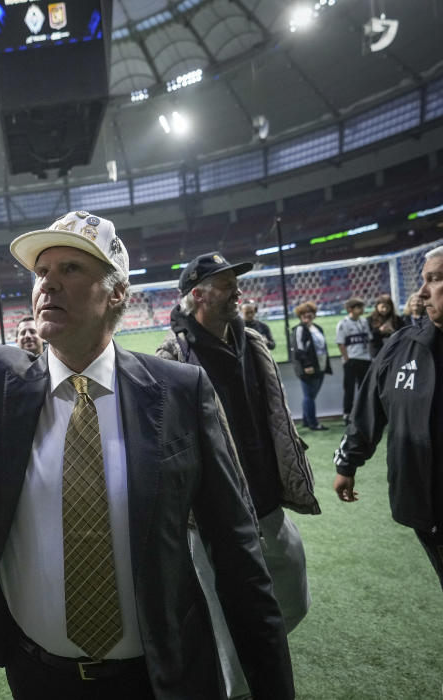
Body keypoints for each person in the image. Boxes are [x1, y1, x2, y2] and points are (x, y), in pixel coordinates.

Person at [0, 144, 293, 698]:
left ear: (118, 296)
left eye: (72, 268)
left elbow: (238, 557)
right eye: (41, 271)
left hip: (163, 679)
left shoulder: (180, 391)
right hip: (37, 678)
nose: (48, 282)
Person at [157, 252, 317, 698]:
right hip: (213, 515)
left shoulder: (254, 342)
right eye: (227, 284)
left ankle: (253, 654)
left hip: (265, 500)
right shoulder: (173, 358)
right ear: (198, 295)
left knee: (293, 593)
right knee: (225, 624)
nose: (239, 290)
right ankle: (238, 690)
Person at [334, 245, 443, 590]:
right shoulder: (401, 346)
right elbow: (368, 409)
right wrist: (346, 463)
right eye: (424, 280)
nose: (422, 291)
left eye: (436, 279)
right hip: (428, 502)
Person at [291, 301, 332, 430]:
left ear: (314, 314)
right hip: (308, 368)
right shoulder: (300, 329)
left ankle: (306, 421)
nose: (307, 315)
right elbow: (299, 349)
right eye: (303, 313)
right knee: (309, 396)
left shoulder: (318, 328)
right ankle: (313, 424)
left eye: (310, 313)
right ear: (300, 315)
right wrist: (307, 365)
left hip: (321, 365)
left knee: (311, 396)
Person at [336, 298, 372, 424]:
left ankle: (364, 412)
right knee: (349, 388)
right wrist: (346, 359)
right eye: (359, 307)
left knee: (364, 388)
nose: (362, 310)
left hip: (365, 359)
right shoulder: (343, 323)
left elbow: (368, 339)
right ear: (351, 309)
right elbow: (340, 343)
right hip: (352, 360)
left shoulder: (364, 321)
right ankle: (347, 414)